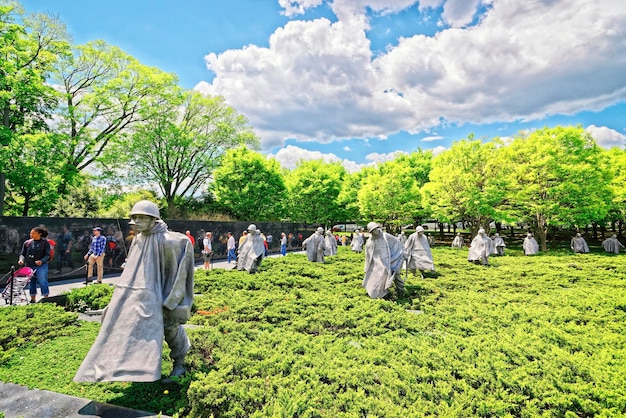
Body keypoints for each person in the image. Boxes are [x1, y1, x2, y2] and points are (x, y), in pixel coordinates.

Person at [74, 200, 194, 382]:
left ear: (153, 219)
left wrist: (172, 299)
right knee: (129, 327)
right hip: (140, 295)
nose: (136, 221)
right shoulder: (139, 239)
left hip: (164, 293)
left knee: (171, 327)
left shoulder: (174, 241)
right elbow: (133, 268)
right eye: (134, 217)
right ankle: (136, 367)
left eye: (141, 217)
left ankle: (180, 361)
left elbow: (181, 273)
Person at [363, 222, 406, 299]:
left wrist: (399, 255)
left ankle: (401, 293)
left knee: (396, 276)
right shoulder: (369, 242)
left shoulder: (385, 236)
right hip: (377, 264)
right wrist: (366, 267)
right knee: (378, 280)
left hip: (390, 261)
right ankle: (382, 295)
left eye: (376, 229)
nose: (375, 231)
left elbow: (396, 244)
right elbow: (368, 256)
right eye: (373, 230)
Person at [18, 225, 52, 303]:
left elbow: (48, 255)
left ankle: (46, 297)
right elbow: (22, 254)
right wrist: (21, 260)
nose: (31, 235)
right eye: (31, 233)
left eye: (33, 233)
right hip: (30, 266)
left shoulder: (45, 243)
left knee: (42, 280)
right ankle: (33, 298)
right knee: (31, 282)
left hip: (41, 266)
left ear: (39, 234)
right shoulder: (27, 243)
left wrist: (41, 261)